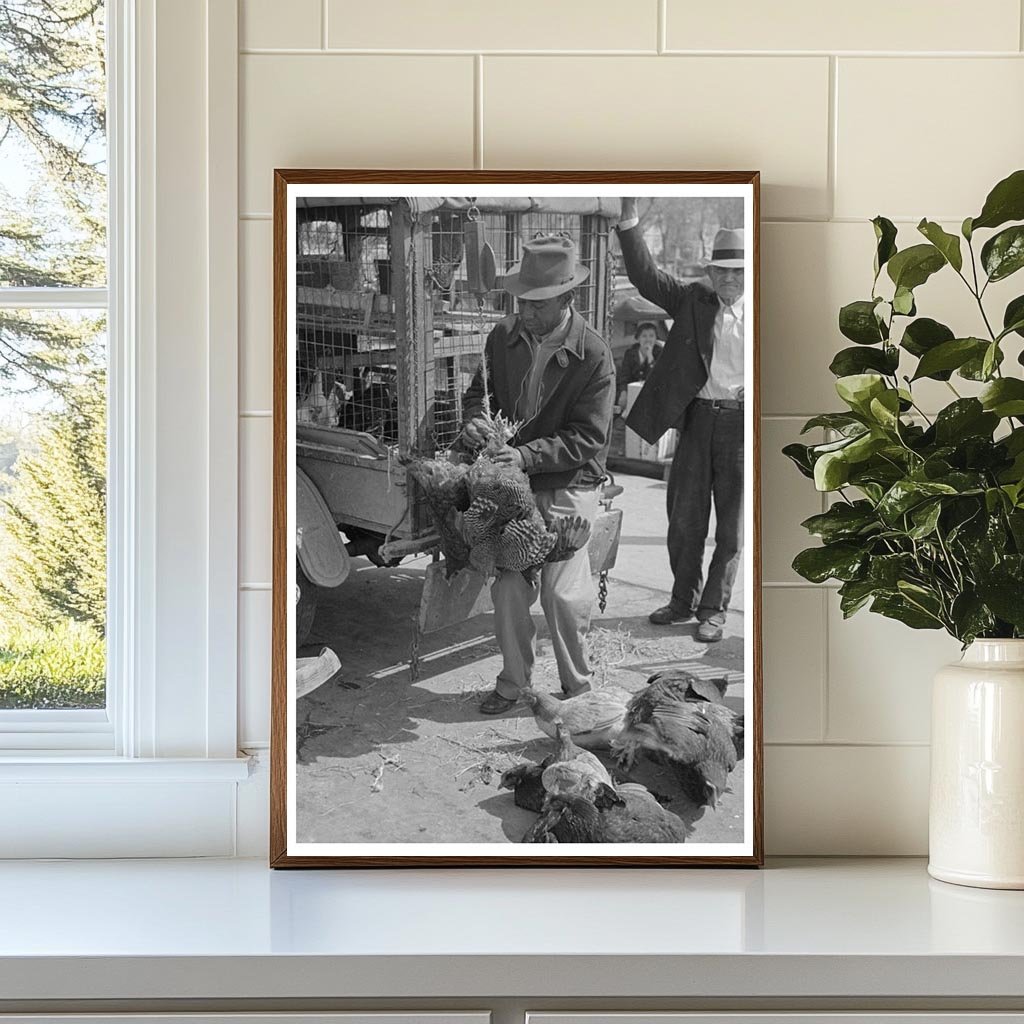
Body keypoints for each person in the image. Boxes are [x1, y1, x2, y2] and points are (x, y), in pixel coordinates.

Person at [460, 235, 615, 715]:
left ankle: (579, 688)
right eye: (521, 301)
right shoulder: (500, 339)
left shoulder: (594, 355)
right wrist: (473, 421)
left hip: (568, 483)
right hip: (512, 484)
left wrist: (526, 457)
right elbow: (474, 396)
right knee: (508, 587)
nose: (525, 312)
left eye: (537, 304)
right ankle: (515, 682)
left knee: (560, 592)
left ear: (568, 299)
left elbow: (588, 437)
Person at [617, 198, 745, 643]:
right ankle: (682, 600)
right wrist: (629, 216)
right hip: (697, 422)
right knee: (685, 519)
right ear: (710, 273)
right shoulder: (693, 300)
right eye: (722, 271)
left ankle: (714, 608)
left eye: (739, 271)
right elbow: (645, 277)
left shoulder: (766, 314)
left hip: (741, 427)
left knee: (730, 527)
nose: (730, 279)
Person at [616, 321, 664, 411]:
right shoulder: (630, 353)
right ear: (638, 338)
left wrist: (650, 357)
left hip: (652, 392)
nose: (648, 339)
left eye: (651, 336)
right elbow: (624, 376)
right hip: (632, 390)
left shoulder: (660, 352)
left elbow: (656, 377)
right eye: (644, 336)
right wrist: (624, 392)